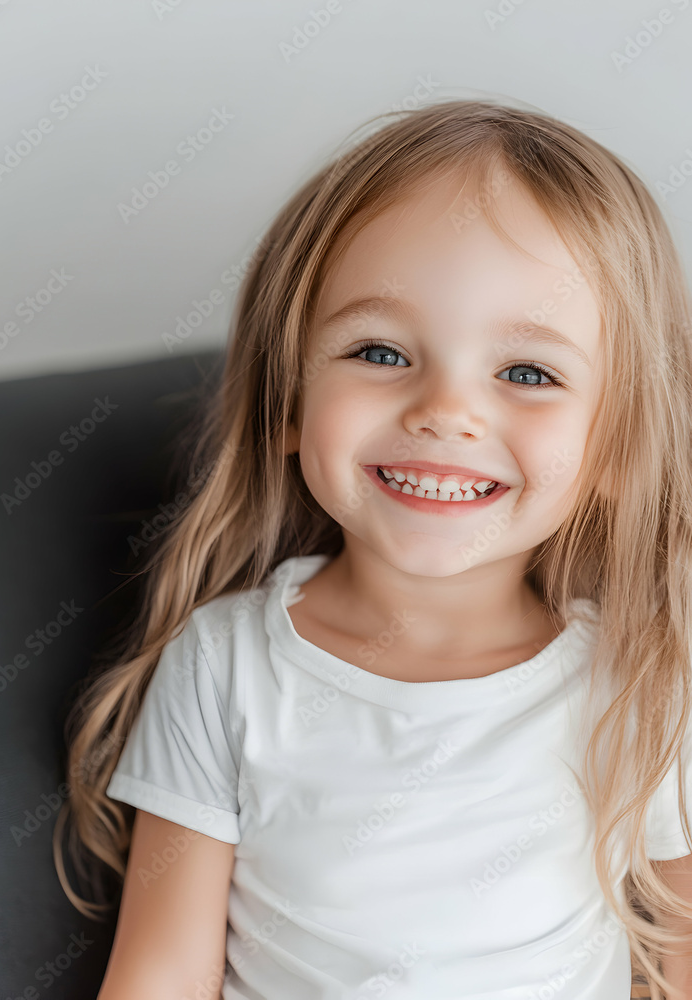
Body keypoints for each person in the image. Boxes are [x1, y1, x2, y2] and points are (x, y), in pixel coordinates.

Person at [54, 99, 692, 1000]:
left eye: (525, 373)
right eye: (381, 351)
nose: (444, 411)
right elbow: (159, 974)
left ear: (616, 448)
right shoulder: (226, 663)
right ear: (287, 398)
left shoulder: (645, 681)